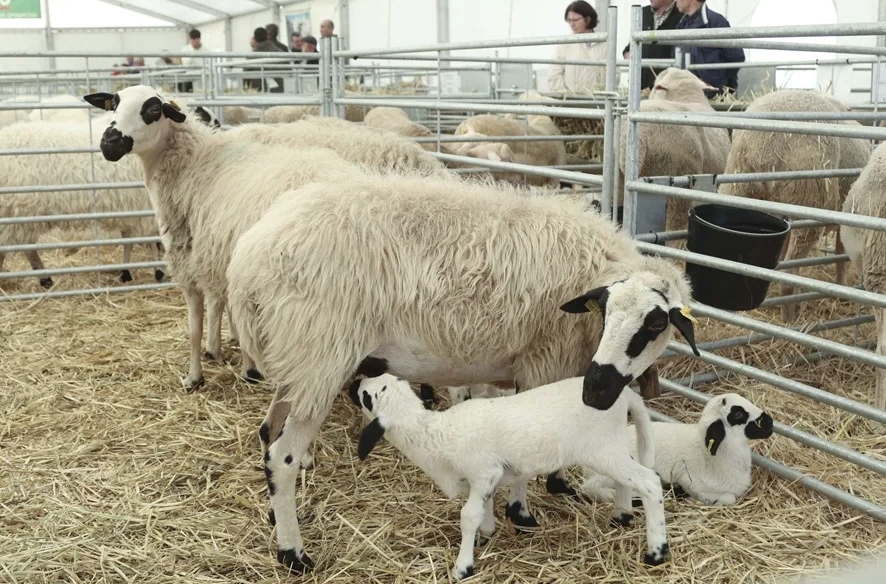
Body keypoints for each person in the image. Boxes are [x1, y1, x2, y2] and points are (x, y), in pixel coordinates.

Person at [675, 0, 745, 97]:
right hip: (687, 94)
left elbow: (736, 56)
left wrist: (722, 85)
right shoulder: (682, 25)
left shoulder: (716, 22)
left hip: (712, 96)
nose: (675, 0)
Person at [548, 1, 608, 94]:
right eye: (569, 20)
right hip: (572, 100)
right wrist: (567, 95)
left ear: (588, 19)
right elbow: (554, 75)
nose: (572, 24)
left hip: (598, 100)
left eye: (576, 20)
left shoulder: (604, 45)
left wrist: (603, 94)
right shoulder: (565, 44)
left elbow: (614, 74)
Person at [621, 0, 683, 91]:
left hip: (668, 88)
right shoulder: (642, 13)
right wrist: (630, 56)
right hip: (641, 88)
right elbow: (631, 46)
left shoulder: (682, 13)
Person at [246, 27, 286, 92]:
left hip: (258, 90)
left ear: (254, 39)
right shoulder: (278, 52)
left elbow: (246, 73)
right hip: (278, 88)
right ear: (267, 37)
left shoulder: (251, 56)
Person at [178, 29, 204, 93]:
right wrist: (193, 50)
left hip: (202, 78)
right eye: (192, 39)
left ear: (199, 39)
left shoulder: (205, 50)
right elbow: (185, 63)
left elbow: (207, 65)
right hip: (189, 78)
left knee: (201, 93)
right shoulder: (185, 49)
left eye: (196, 39)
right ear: (190, 39)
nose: (194, 42)